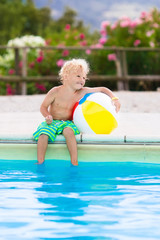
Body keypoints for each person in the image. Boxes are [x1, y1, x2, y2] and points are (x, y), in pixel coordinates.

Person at [33, 58, 121, 166]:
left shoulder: (81, 92)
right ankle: (40, 161)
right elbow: (43, 107)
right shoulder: (55, 92)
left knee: (69, 132)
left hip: (68, 123)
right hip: (52, 121)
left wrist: (114, 98)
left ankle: (74, 162)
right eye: (78, 76)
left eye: (84, 77)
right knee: (43, 135)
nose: (82, 80)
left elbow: (102, 89)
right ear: (66, 76)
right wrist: (47, 116)